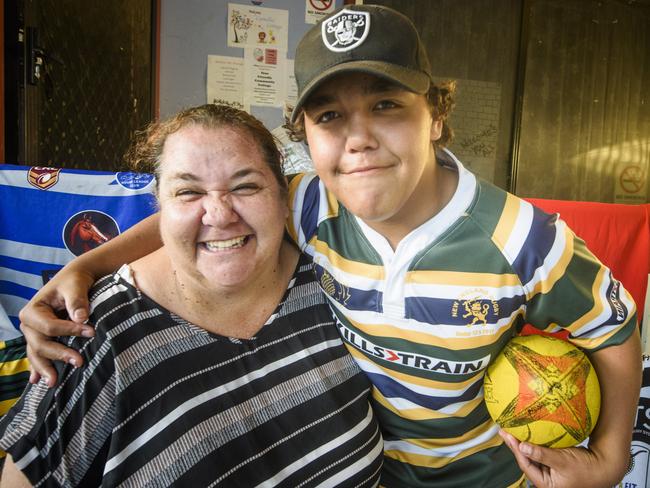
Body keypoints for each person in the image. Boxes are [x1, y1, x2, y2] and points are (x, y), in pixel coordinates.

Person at [16, 4, 641, 488]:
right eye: (330, 117)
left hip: (486, 477)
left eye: (387, 105)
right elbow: (211, 215)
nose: (359, 139)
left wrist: (611, 459)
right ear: (305, 135)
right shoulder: (313, 203)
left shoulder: (527, 240)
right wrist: (91, 263)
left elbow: (613, 329)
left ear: (437, 116)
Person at [0, 104, 384, 487]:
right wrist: (84, 268)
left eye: (245, 186)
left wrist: (84, 264)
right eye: (188, 191)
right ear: (160, 207)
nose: (219, 214)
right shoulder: (99, 332)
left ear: (285, 196)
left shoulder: (327, 272)